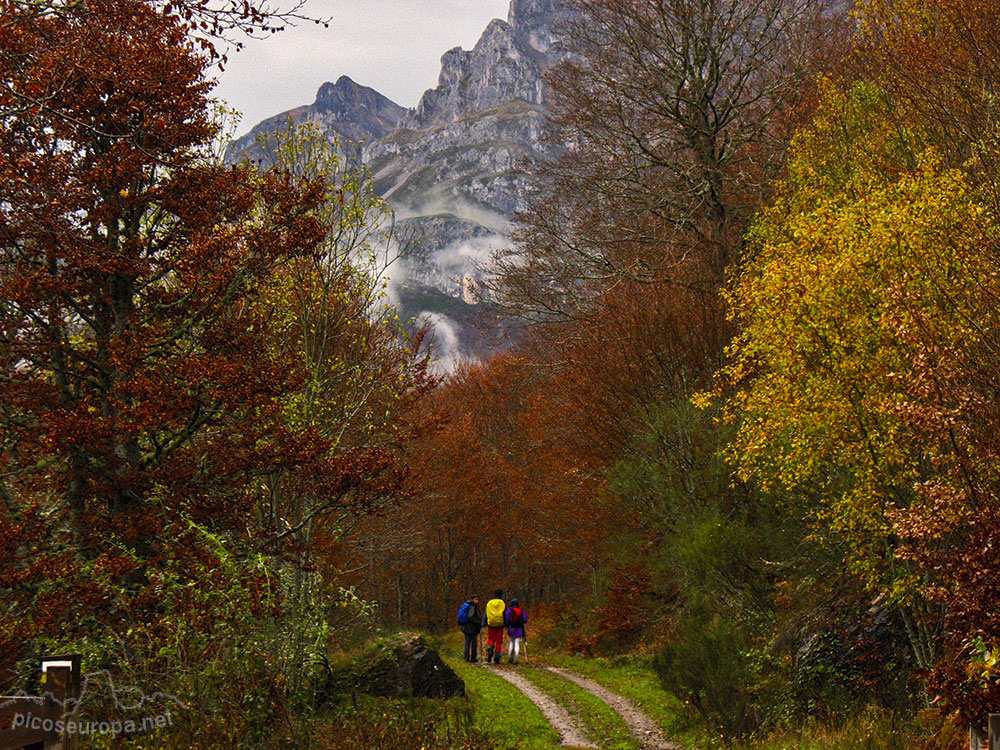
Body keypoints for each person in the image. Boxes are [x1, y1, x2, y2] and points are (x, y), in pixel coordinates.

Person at [484, 589, 506, 664]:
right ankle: (497, 655)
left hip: (491, 624)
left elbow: (486, 613)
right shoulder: (502, 603)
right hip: (500, 624)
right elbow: (504, 613)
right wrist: (506, 623)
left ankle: (490, 647)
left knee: (491, 638)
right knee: (499, 640)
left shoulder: (490, 603)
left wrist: (484, 622)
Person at [459, 595, 483, 662]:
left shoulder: (467, 605)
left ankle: (466, 657)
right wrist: (477, 622)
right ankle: (473, 657)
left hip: (466, 627)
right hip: (472, 627)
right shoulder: (473, 606)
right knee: (473, 643)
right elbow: (471, 616)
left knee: (467, 642)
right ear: (473, 600)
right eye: (476, 599)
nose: (477, 601)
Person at [504, 598, 528, 665]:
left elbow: (507, 618)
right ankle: (516, 658)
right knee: (517, 643)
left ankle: (510, 658)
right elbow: (525, 619)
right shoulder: (521, 610)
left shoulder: (509, 610)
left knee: (511, 642)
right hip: (519, 629)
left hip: (511, 628)